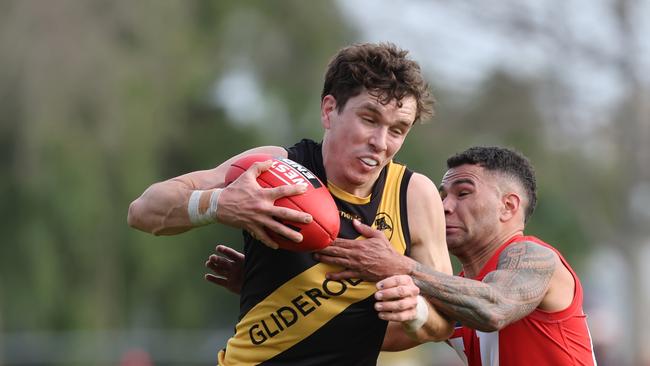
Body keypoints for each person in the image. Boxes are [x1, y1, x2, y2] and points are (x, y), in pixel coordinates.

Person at [128, 42, 454, 365]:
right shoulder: (273, 168)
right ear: (329, 110)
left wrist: (415, 312)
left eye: (397, 130)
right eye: (369, 119)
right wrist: (219, 203)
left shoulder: (414, 196)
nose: (381, 142)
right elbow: (143, 212)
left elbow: (443, 321)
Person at [207, 146, 597, 365]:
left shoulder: (533, 257)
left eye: (462, 193)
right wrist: (276, 286)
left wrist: (401, 266)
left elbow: (495, 308)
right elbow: (356, 337)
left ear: (509, 207)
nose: (444, 206)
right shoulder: (455, 292)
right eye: (444, 195)